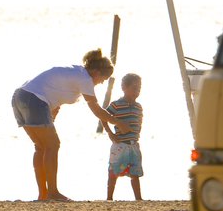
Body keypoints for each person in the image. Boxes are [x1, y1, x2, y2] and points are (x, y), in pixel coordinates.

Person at [11, 49, 125, 202]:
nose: (102, 82)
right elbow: (96, 109)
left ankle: (43, 194)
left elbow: (54, 96)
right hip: (34, 99)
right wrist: (117, 122)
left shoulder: (76, 73)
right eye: (103, 79)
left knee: (41, 146)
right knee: (53, 145)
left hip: (20, 97)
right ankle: (52, 192)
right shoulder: (85, 79)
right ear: (97, 73)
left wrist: (51, 116)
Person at [102, 73, 144, 201]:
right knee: (114, 172)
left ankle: (139, 199)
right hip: (120, 145)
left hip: (133, 145)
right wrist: (110, 133)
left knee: (135, 173)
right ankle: (109, 198)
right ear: (124, 88)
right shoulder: (116, 105)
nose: (137, 91)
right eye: (134, 88)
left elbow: (139, 121)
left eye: (139, 89)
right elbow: (103, 116)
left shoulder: (138, 107)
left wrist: (137, 133)